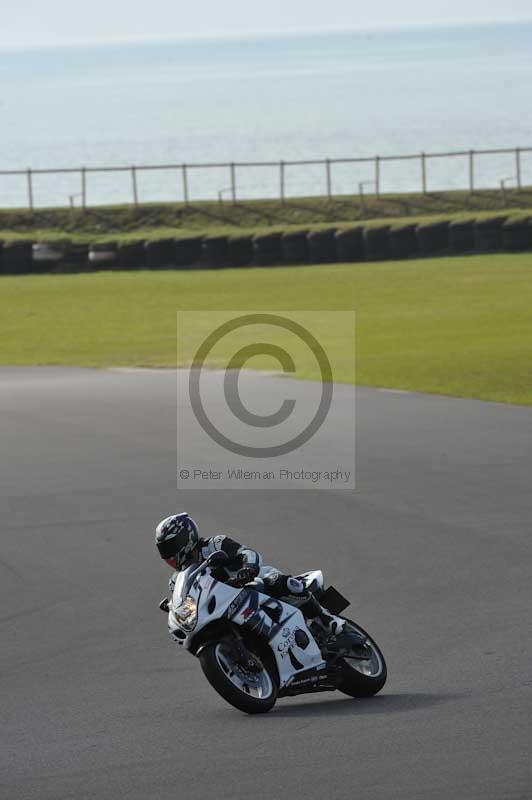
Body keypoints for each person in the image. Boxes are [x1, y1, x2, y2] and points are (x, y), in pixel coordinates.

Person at [155, 512, 346, 639]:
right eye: (164, 550)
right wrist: (174, 609)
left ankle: (324, 617)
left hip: (251, 582)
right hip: (224, 607)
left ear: (186, 537)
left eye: (170, 546)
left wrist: (248, 568)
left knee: (278, 582)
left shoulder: (214, 544)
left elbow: (247, 553)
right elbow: (183, 602)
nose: (168, 554)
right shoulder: (177, 580)